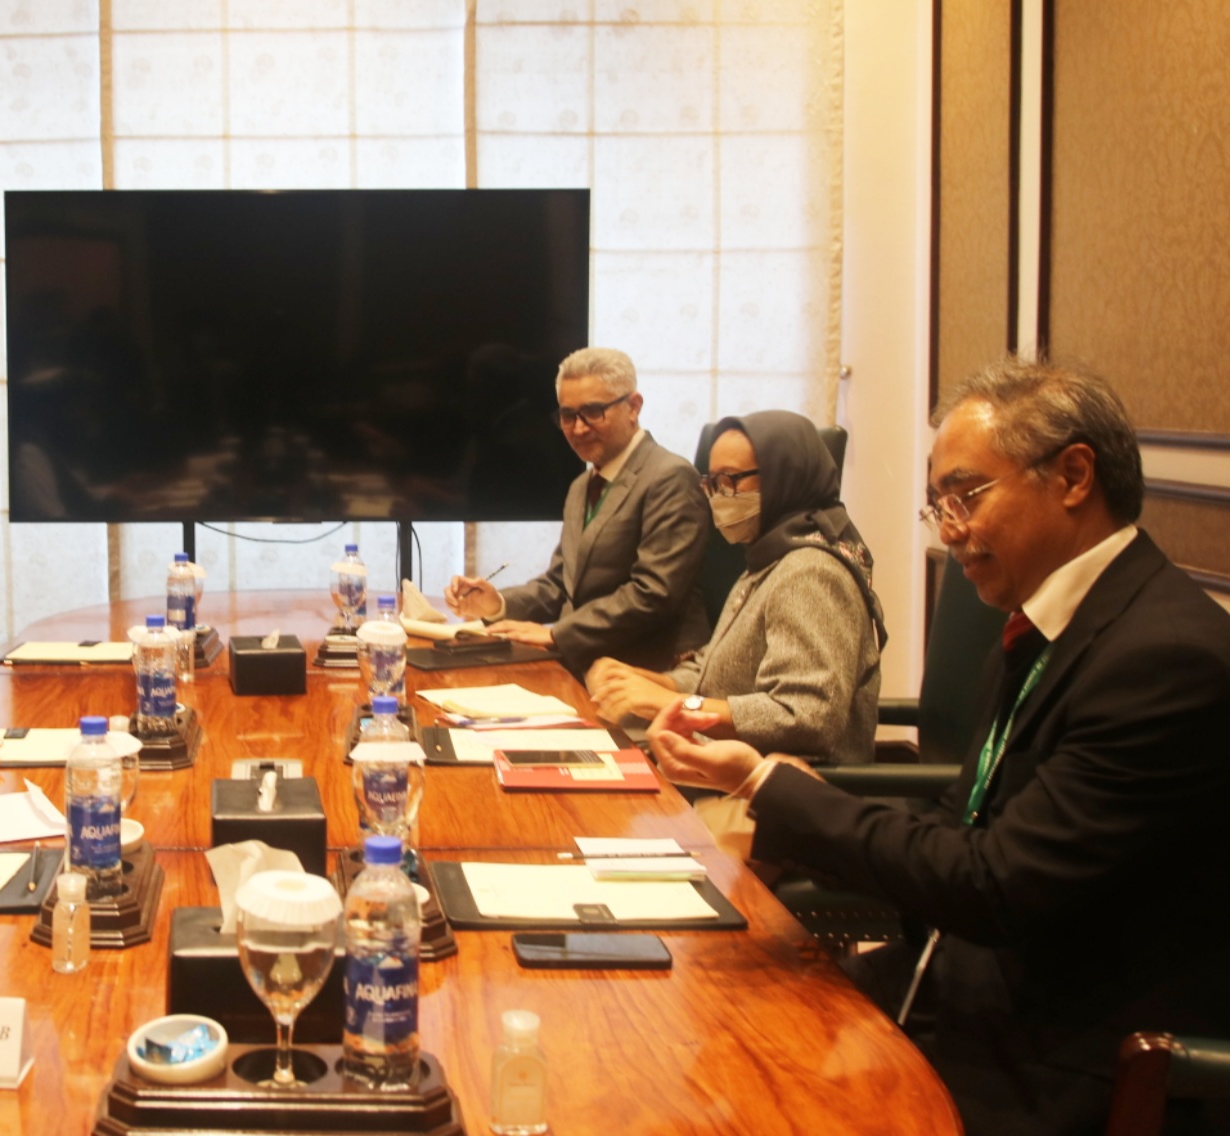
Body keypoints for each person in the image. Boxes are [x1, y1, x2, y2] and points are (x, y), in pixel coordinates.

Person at [650, 360, 1230, 1136]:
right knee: (694, 1036)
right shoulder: (1045, 623)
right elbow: (962, 834)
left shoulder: (1163, 660)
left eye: (966, 496)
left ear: (1073, 476)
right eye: (938, 505)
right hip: (955, 988)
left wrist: (767, 784)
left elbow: (995, 886)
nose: (950, 527)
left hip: (1061, 1062)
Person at [587, 410, 885, 766]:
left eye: (729, 481)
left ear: (783, 478)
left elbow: (805, 717)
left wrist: (673, 704)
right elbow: (718, 673)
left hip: (789, 798)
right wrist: (645, 682)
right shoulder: (769, 558)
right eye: (711, 483)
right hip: (725, 771)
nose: (717, 497)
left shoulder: (812, 572)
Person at [444, 347, 708, 677]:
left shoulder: (670, 477)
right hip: (583, 663)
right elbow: (560, 584)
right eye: (568, 415)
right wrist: (496, 603)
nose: (578, 428)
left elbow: (653, 594)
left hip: (650, 672)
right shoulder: (581, 486)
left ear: (633, 407)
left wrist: (557, 634)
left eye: (593, 412)